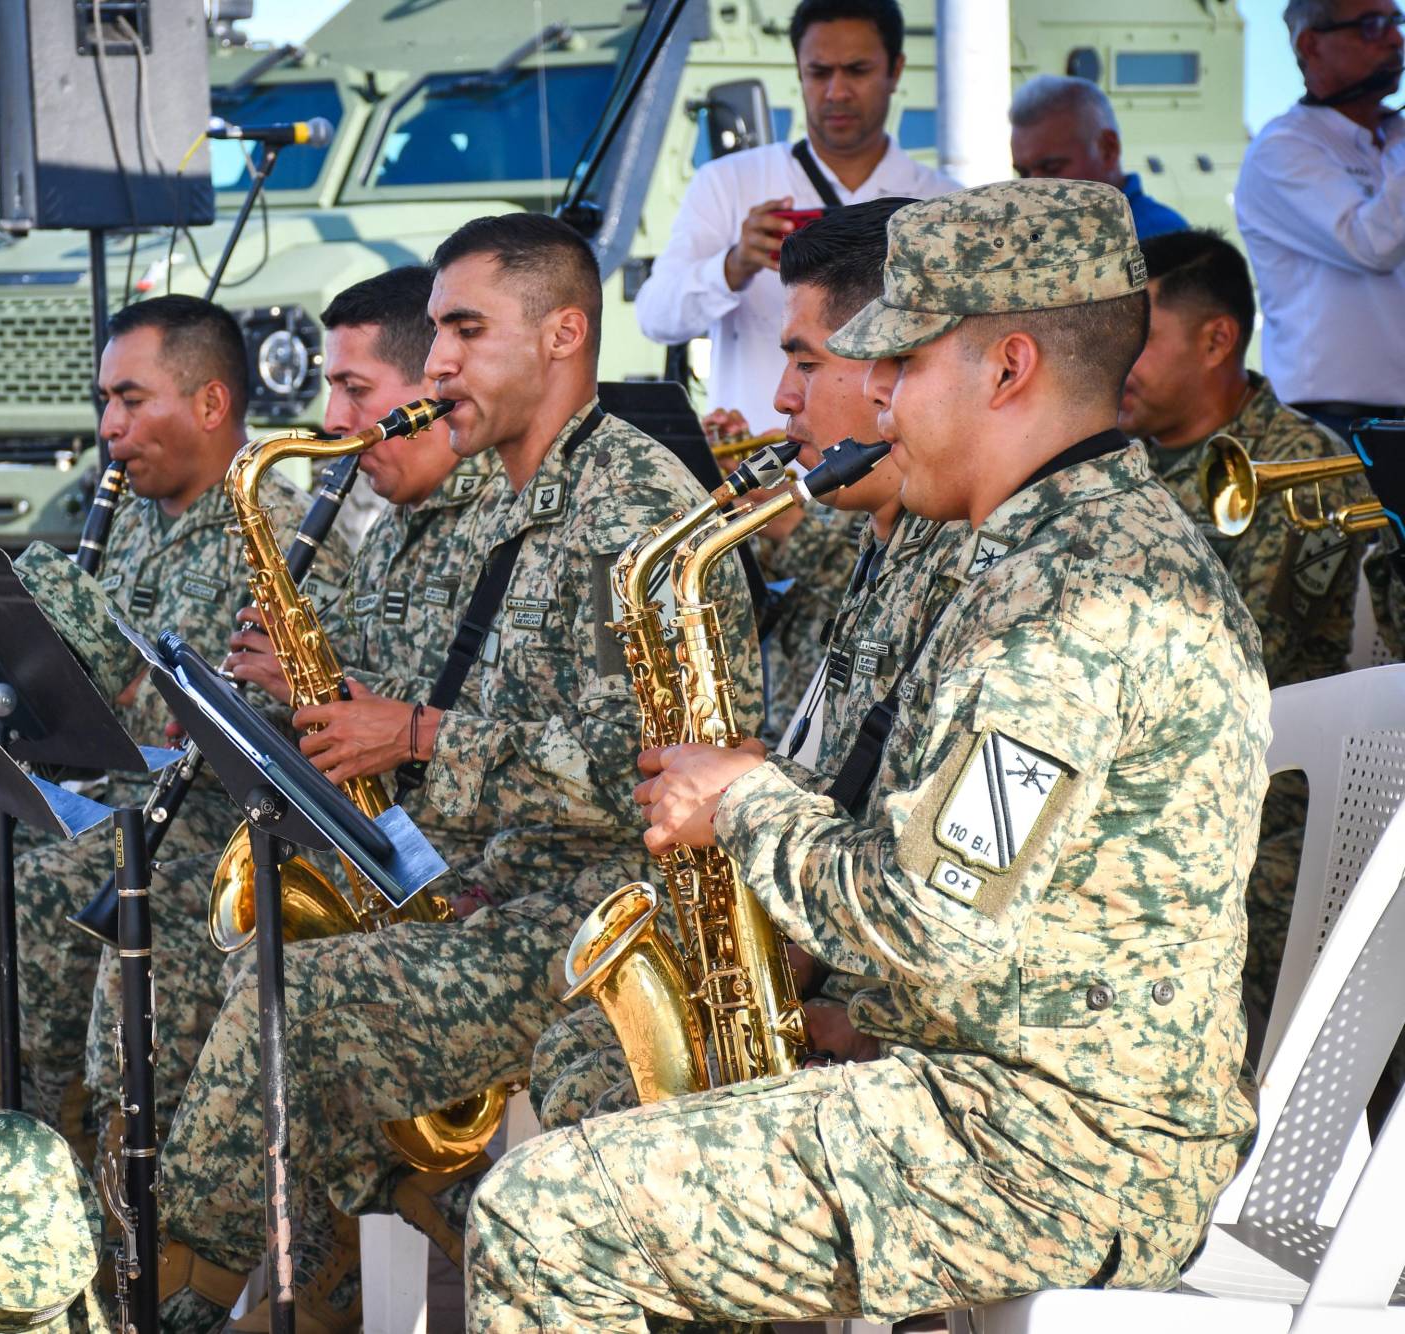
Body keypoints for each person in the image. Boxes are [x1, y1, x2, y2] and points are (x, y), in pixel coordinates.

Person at [467, 180, 1269, 1331]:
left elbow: (928, 918)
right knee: (596, 1104)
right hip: (992, 1092)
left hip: (1049, 1145)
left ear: (1007, 368)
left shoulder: (1075, 601)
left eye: (900, 362)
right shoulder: (1043, 552)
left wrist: (744, 801)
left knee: (543, 1214)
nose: (875, 395)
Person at [146, 215, 740, 1334]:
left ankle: (175, 1285)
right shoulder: (515, 495)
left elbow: (652, 777)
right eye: (438, 333)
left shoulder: (634, 510)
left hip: (611, 912)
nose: (442, 362)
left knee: (298, 1001)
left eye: (467, 331)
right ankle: (291, 1264)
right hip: (503, 885)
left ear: (563, 335)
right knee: (271, 972)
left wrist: (418, 736)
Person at [0, 295, 351, 1174]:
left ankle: (68, 1138)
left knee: (42, 893)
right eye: (106, 402)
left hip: (215, 820)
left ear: (211, 403)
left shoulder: (280, 532)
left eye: (131, 400)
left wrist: (129, 683)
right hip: (112, 795)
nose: (110, 428)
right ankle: (23, 1110)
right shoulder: (130, 520)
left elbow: (274, 727)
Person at [531, 197, 968, 1130]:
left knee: (576, 1160)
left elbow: (943, 906)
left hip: (922, 1053)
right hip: (841, 972)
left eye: (805, 362)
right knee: (577, 1065)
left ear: (893, 369)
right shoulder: (886, 540)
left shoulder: (985, 567)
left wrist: (742, 803)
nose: (781, 399)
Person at [211, 264, 504, 1332]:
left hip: (474, 881)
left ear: (426, 385)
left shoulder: (493, 520)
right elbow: (371, 714)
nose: (332, 419)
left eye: (352, 388)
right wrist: (295, 693)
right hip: (393, 856)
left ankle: (205, 1274)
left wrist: (333, 697)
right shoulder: (393, 526)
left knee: (282, 1003)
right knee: (220, 973)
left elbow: (441, 725)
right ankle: (328, 1259)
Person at [1120, 227, 1370, 1048]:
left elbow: (1242, 659)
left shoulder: (1300, 465)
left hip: (1272, 793)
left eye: (1139, 338)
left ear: (1216, 340)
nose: (1117, 362)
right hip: (1155, 774)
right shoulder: (1122, 460)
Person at [635, 0, 956, 431]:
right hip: (761, 455)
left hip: (898, 457)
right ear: (799, 72)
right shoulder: (727, 183)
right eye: (819, 72)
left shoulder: (944, 203)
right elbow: (656, 318)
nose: (837, 92)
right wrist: (733, 265)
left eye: (857, 70)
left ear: (895, 70)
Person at [1234, 0, 1405, 438]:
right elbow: (1373, 245)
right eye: (1371, 25)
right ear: (1311, 44)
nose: (1395, 39)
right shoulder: (1283, 149)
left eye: (1396, 21)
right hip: (1334, 424)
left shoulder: (1395, 139)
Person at [1009, 75, 1189, 238]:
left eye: (1051, 168)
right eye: (1023, 173)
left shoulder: (1162, 240)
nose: (1032, 191)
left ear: (1108, 149)